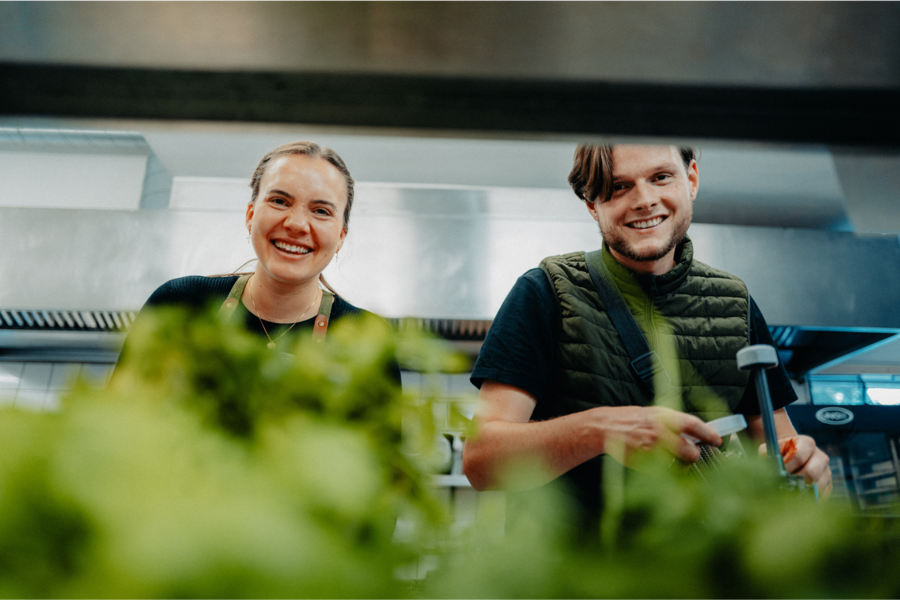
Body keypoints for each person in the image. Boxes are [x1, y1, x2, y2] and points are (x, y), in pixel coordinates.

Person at [463, 144, 832, 528]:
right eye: (618, 186)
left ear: (691, 180)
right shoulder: (546, 291)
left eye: (660, 177)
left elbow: (782, 453)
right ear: (591, 204)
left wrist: (808, 472)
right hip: (570, 565)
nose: (644, 200)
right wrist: (600, 430)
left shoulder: (736, 303)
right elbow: (481, 462)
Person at [122, 141, 399, 380]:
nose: (297, 224)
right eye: (280, 201)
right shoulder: (179, 304)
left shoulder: (368, 342)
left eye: (321, 211)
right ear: (250, 215)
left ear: (340, 236)